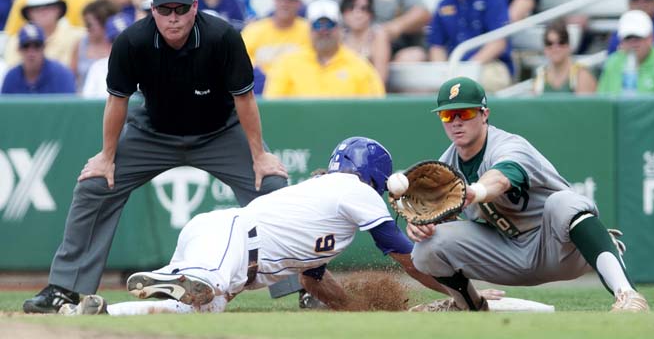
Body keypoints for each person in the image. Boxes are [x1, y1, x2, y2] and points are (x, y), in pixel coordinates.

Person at [22, 0, 289, 314]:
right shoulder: (132, 41)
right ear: (152, 10)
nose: (173, 18)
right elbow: (117, 101)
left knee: (272, 184)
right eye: (165, 10)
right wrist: (106, 156)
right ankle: (65, 288)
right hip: (154, 133)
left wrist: (259, 155)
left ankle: (303, 286)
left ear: (195, 7)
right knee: (94, 185)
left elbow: (245, 99)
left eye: (180, 9)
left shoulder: (221, 36)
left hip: (219, 131)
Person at [57, 136, 475, 315]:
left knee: (193, 311)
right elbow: (404, 255)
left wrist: (351, 308)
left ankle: (102, 309)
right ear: (375, 174)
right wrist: (459, 292)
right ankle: (185, 277)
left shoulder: (328, 208)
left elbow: (313, 282)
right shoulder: (356, 190)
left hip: (224, 244)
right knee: (208, 286)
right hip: (234, 239)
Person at [408, 76, 649, 312]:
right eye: (448, 115)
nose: (456, 122)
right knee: (425, 248)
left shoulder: (509, 145)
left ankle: (628, 296)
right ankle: (469, 306)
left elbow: (501, 178)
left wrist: (476, 191)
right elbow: (435, 218)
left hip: (558, 247)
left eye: (466, 113)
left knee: (563, 202)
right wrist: (420, 225)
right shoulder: (445, 166)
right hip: (505, 253)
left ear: (485, 114)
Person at [428, 0, 513, 92]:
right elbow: (437, 46)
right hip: (454, 66)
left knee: (490, 81)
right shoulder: (444, 3)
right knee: (427, 85)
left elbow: (498, 43)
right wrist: (442, 69)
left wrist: (468, 68)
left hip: (488, 63)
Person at [264, 0, 385, 99]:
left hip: (346, 127)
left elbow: (374, 109)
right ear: (309, 29)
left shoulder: (359, 65)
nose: (323, 31)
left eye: (329, 24)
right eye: (317, 25)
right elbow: (273, 106)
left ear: (339, 28)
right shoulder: (287, 64)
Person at [241, 0, 310, 95]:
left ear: (299, 3)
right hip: (259, 92)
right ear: (274, 0)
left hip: (296, 92)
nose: (285, 3)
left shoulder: (308, 31)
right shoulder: (254, 30)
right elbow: (239, 60)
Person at [3, 0, 86, 68]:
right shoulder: (16, 41)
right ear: (29, 13)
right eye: (37, 9)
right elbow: (12, 72)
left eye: (49, 7)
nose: (43, 12)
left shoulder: (79, 37)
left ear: (58, 9)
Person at [598, 10, 654, 94]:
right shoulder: (612, 62)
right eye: (628, 38)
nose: (633, 43)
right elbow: (603, 101)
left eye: (638, 38)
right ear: (621, 42)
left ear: (651, 38)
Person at [1, 23, 76, 94]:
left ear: (44, 48)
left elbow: (70, 106)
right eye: (26, 46)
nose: (31, 52)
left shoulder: (61, 75)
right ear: (19, 49)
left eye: (37, 46)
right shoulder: (11, 77)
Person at [340, 0, 391, 84]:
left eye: (364, 9)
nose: (357, 13)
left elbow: (380, 79)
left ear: (371, 13)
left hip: (368, 93)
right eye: (351, 8)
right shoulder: (339, 36)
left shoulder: (378, 36)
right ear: (343, 12)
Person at [532, 19, 596, 94]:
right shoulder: (540, 78)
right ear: (544, 48)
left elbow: (587, 105)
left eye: (561, 42)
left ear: (568, 45)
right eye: (549, 43)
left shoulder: (581, 76)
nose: (555, 48)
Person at [81, 12, 134, 98]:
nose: (121, 46)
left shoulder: (146, 66)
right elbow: (88, 105)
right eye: (115, 41)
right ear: (107, 42)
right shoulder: (97, 68)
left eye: (127, 41)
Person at [71, 0, 119, 91]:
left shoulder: (119, 45)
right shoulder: (80, 45)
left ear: (104, 23)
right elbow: (72, 78)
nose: (86, 28)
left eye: (89, 24)